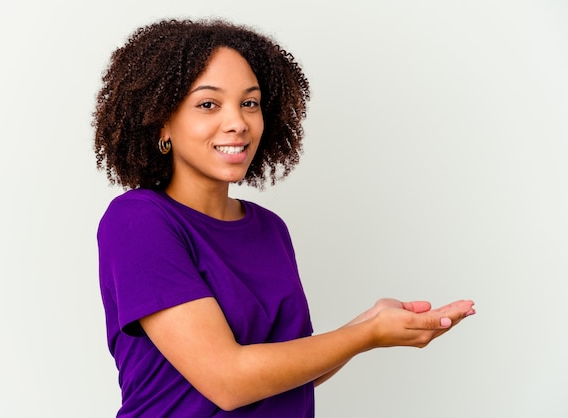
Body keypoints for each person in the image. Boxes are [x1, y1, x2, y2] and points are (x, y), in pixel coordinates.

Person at [92, 18, 476, 418]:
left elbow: (284, 374)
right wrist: (367, 335)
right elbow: (229, 381)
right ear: (162, 121)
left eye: (250, 102)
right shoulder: (138, 221)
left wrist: (370, 322)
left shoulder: (269, 229)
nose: (237, 122)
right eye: (208, 104)